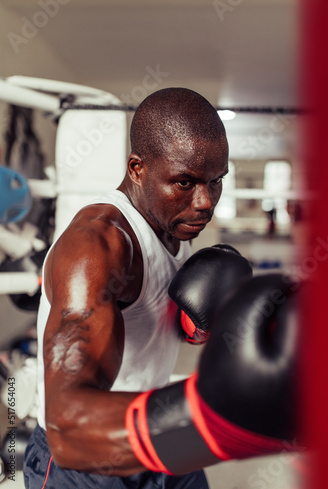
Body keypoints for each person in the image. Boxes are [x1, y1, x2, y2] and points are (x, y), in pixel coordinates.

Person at [23, 87, 230, 488]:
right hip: (85, 461)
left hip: (155, 437)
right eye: (186, 182)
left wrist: (196, 324)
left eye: (216, 181)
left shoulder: (175, 218)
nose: (205, 202)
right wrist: (223, 422)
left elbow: (149, 327)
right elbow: (68, 425)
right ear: (137, 169)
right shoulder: (95, 250)